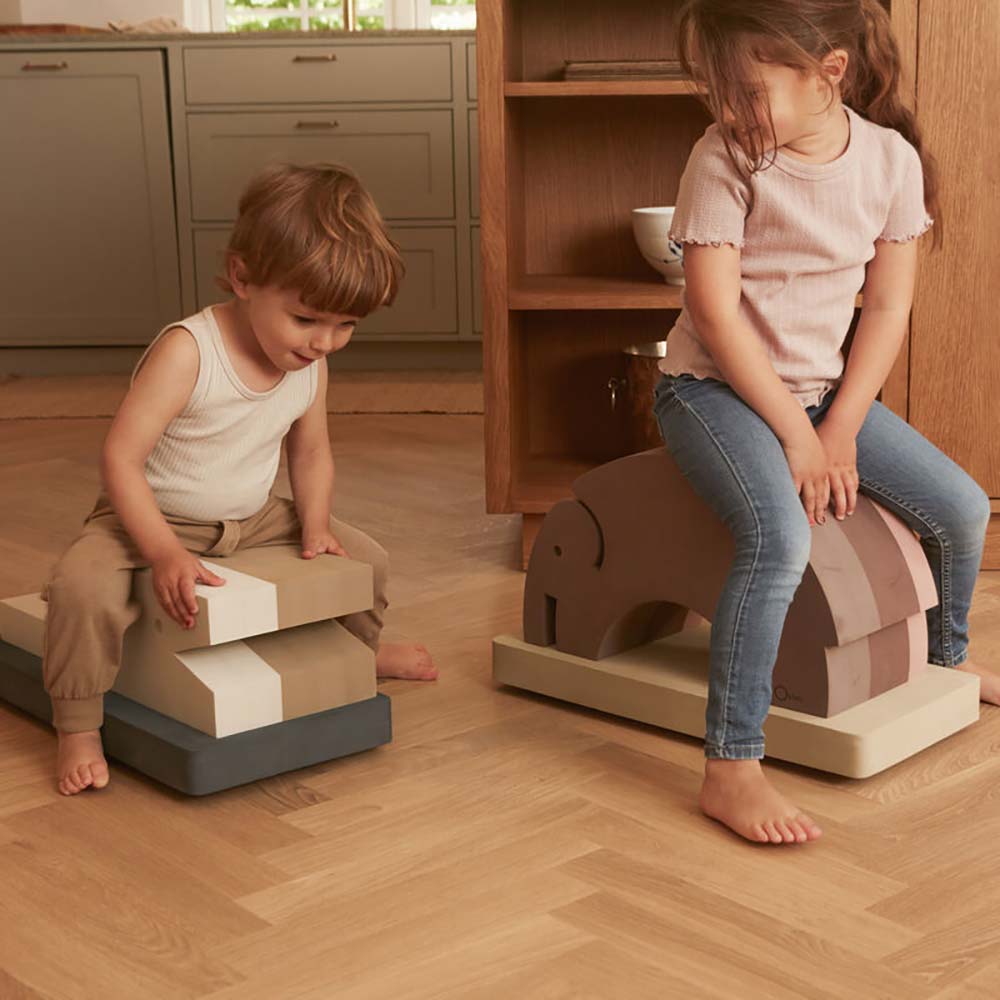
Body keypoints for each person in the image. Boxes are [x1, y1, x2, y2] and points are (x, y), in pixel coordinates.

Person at [653, 0, 994, 845]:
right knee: (780, 538)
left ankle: (942, 662)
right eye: (718, 92)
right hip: (712, 390)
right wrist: (798, 437)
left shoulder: (890, 161)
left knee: (962, 509)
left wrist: (837, 427)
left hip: (824, 395)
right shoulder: (723, 155)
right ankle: (732, 764)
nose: (729, 110)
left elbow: (887, 307)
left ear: (828, 73)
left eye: (748, 92)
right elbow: (715, 315)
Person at [43, 162, 437, 797]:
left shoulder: (309, 363)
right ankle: (79, 724)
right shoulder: (189, 351)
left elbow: (311, 452)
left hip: (252, 518)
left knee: (367, 560)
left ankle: (358, 655)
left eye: (346, 326)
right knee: (79, 588)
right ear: (242, 277)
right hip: (150, 518)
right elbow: (121, 459)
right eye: (307, 319)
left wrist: (315, 526)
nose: (325, 342)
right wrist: (162, 551)